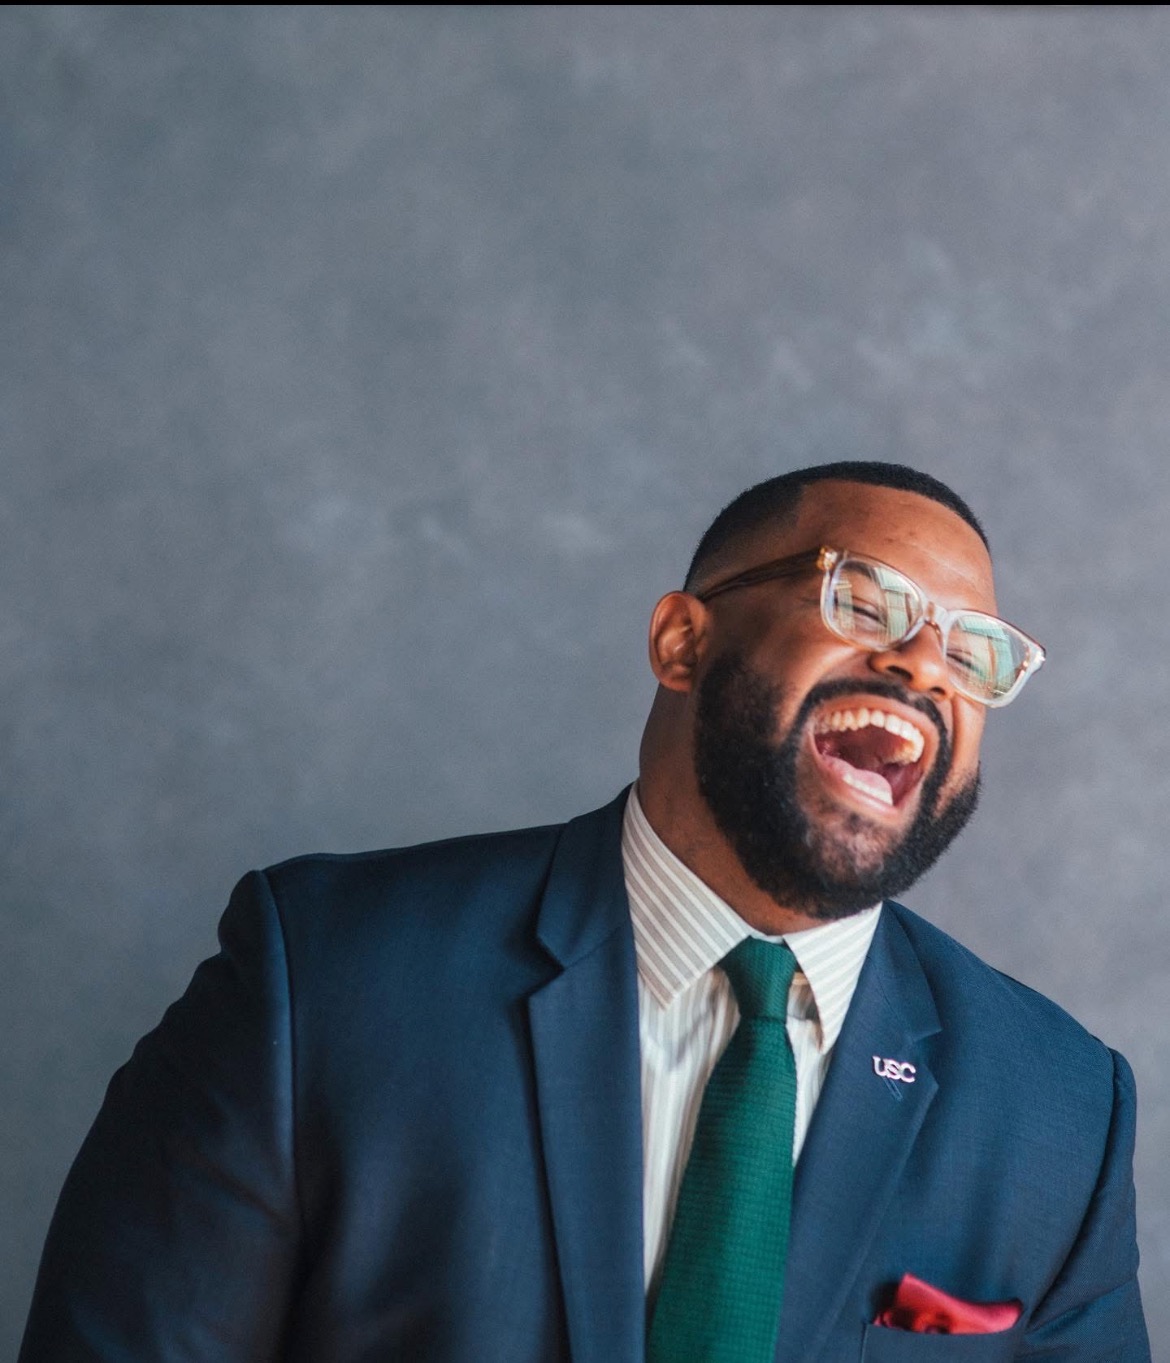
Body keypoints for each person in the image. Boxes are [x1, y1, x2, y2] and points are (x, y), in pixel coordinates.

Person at [21, 462, 1149, 1362]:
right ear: (681, 641)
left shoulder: (1061, 1110)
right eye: (865, 598)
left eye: (975, 652)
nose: (925, 666)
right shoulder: (319, 979)